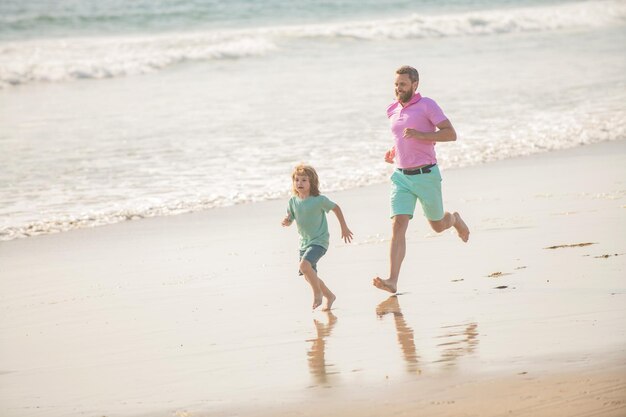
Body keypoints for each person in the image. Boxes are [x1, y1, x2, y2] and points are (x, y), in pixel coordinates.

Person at [373, 65, 470, 294]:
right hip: (401, 177)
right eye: (396, 84)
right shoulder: (392, 109)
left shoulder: (428, 105)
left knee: (437, 225)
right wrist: (394, 151)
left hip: (426, 175)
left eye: (403, 84)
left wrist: (422, 135)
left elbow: (450, 133)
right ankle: (392, 280)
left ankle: (454, 219)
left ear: (415, 85)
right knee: (398, 225)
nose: (398, 88)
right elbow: (401, 138)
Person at [282, 164, 353, 310]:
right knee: (309, 275)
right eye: (297, 180)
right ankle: (330, 296)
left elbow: (336, 208)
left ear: (311, 183)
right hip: (304, 243)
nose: (299, 183)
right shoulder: (292, 201)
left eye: (304, 180)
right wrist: (287, 221)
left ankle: (317, 294)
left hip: (319, 242)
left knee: (304, 266)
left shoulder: (319, 200)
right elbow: (291, 218)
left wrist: (344, 227)